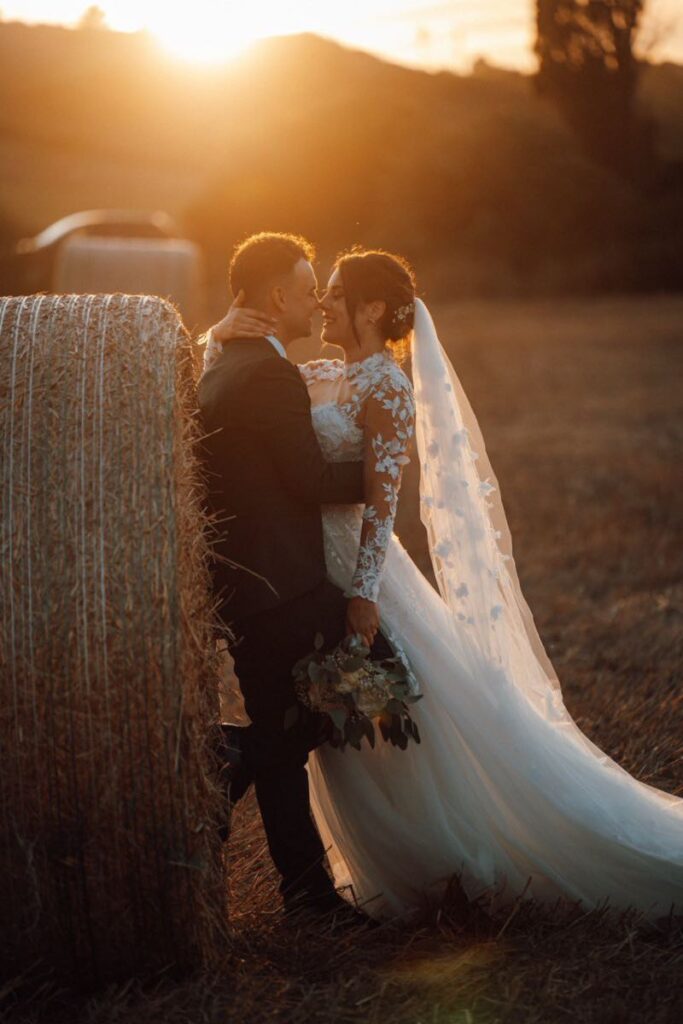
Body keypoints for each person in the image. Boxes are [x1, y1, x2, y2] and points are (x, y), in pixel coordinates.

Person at [210, 246, 683, 923]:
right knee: (342, 724)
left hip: (358, 577)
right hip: (313, 571)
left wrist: (364, 591)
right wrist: (224, 331)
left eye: (334, 292)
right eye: (317, 291)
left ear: (372, 308)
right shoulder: (325, 373)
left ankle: (454, 850)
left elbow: (382, 500)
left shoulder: (385, 386)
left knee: (408, 717)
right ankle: (378, 858)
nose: (321, 304)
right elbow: (255, 389)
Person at [197, 232, 392, 927]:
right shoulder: (267, 376)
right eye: (309, 289)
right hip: (282, 585)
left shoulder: (221, 366)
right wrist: (383, 472)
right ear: (277, 296)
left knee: (289, 732)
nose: (316, 302)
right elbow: (307, 477)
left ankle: (305, 894)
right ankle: (223, 757)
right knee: (295, 729)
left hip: (249, 585)